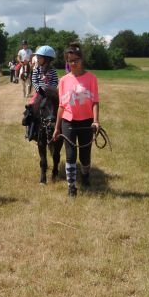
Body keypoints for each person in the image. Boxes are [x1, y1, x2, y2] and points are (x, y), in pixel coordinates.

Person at [53, 43, 100, 197]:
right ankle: (71, 187)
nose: (73, 63)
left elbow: (95, 102)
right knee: (70, 155)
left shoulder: (91, 78)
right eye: (70, 60)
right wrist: (57, 128)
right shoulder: (64, 81)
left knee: (85, 155)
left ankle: (85, 176)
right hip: (69, 122)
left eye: (76, 60)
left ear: (82, 60)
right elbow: (61, 105)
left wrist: (96, 121)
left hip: (87, 121)